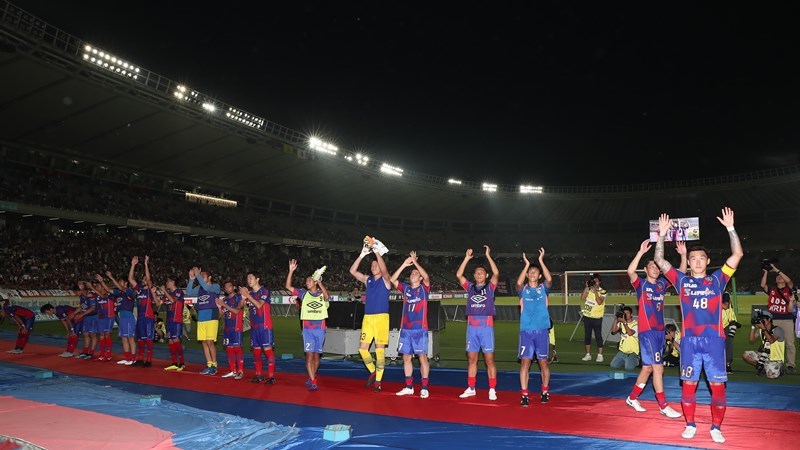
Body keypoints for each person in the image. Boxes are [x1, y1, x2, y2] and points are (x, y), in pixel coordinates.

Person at [654, 208, 743, 444]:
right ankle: (690, 424)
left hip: (714, 341)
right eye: (693, 258)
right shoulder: (681, 280)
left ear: (708, 261)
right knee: (689, 384)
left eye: (701, 258)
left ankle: (716, 427)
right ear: (690, 262)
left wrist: (730, 228)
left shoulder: (718, 279)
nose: (697, 261)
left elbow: (737, 254)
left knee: (717, 385)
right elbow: (659, 261)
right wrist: (661, 235)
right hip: (689, 342)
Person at [624, 239, 684, 418]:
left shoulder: (661, 285)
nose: (656, 269)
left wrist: (683, 255)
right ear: (645, 270)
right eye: (652, 266)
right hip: (647, 332)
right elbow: (630, 271)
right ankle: (663, 406)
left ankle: (632, 398)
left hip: (659, 332)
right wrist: (641, 252)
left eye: (657, 266)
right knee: (658, 368)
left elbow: (680, 274)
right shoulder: (641, 284)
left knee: (648, 369)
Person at [456, 245, 500, 401]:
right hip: (472, 329)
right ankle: (471, 388)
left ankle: (492, 389)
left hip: (486, 328)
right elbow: (459, 274)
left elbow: (496, 273)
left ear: (486, 275)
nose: (479, 274)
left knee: (489, 360)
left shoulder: (490, 287)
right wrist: (466, 258)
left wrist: (488, 256)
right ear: (474, 276)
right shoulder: (470, 288)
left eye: (482, 272)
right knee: (472, 359)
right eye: (477, 272)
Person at [349, 243, 392, 392]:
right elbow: (352, 271)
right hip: (368, 318)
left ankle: (378, 382)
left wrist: (377, 252)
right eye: (372, 265)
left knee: (379, 351)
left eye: (376, 265)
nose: (373, 267)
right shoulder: (368, 280)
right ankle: (374, 371)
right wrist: (362, 254)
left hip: (381, 319)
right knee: (362, 349)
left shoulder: (386, 280)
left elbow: (385, 271)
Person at [390, 251, 432, 399]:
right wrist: (404, 264)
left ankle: (424, 387)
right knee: (406, 358)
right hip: (406, 330)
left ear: (419, 278)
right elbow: (392, 279)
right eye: (412, 273)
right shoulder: (406, 289)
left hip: (420, 330)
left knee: (422, 358)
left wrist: (415, 263)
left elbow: (426, 277)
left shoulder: (424, 289)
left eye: (416, 273)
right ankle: (409, 387)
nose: (413, 274)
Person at [515, 248, 553, 406]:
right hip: (526, 332)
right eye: (530, 271)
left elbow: (549, 279)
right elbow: (518, 283)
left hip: (542, 331)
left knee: (543, 363)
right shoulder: (523, 290)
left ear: (539, 276)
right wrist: (526, 265)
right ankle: (524, 394)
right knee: (525, 363)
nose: (532, 273)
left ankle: (545, 391)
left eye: (535, 272)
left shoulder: (544, 288)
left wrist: (541, 261)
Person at [287, 259, 330, 391]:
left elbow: (327, 297)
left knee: (316, 356)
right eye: (306, 281)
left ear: (315, 282)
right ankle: (313, 381)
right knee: (309, 356)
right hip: (307, 330)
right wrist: (291, 271)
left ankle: (312, 376)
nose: (307, 283)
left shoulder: (321, 294)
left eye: (309, 280)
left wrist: (320, 282)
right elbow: (288, 286)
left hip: (320, 329)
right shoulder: (303, 294)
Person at [185, 266, 222, 375]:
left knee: (210, 342)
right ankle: (209, 364)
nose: (200, 277)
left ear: (209, 277)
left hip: (211, 316)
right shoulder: (199, 288)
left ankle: (214, 365)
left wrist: (197, 275)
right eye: (200, 276)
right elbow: (188, 292)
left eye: (203, 276)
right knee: (204, 342)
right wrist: (191, 279)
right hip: (201, 317)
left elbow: (207, 287)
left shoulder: (215, 286)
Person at [760, 264, 796, 373]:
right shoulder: (772, 289)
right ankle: (773, 361)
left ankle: (790, 365)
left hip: (787, 319)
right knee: (772, 342)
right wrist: (766, 272)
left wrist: (776, 270)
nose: (779, 277)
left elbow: (789, 281)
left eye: (781, 277)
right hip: (774, 319)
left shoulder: (789, 290)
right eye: (777, 277)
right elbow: (763, 285)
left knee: (789, 343)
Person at [240, 273, 275, 384]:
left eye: (251, 278)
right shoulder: (249, 293)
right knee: (256, 352)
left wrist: (248, 296)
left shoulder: (264, 291)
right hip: (254, 327)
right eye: (247, 278)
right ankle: (258, 375)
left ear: (257, 279)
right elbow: (240, 306)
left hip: (264, 325)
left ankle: (271, 376)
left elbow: (259, 305)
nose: (249, 280)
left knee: (268, 350)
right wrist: (243, 297)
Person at [129, 256, 156, 367]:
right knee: (140, 339)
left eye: (145, 279)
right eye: (143, 279)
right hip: (140, 318)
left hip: (148, 318)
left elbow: (149, 279)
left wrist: (145, 264)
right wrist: (133, 265)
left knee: (148, 340)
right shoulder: (139, 289)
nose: (143, 280)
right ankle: (140, 359)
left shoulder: (150, 290)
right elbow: (130, 279)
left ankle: (148, 360)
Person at [106, 271, 137, 365]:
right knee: (124, 338)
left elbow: (122, 288)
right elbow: (108, 290)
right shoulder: (119, 293)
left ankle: (133, 358)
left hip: (128, 318)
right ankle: (127, 358)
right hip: (122, 318)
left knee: (130, 338)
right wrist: (102, 281)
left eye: (120, 282)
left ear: (126, 283)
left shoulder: (129, 292)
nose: (119, 283)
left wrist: (112, 277)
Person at [742, 311, 785, 378]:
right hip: (764, 355)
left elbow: (771, 341)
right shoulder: (761, 330)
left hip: (775, 358)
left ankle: (779, 368)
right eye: (760, 319)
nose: (761, 321)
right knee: (746, 355)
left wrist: (764, 329)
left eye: (763, 319)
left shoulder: (778, 330)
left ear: (769, 319)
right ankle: (762, 367)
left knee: (771, 376)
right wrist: (753, 327)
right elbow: (751, 339)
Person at [216, 281, 246, 379]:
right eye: (225, 287)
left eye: (229, 286)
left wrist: (224, 305)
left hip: (236, 327)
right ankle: (233, 371)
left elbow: (237, 311)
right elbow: (220, 315)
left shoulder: (238, 297)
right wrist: (219, 307)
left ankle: (240, 371)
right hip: (227, 328)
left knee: (237, 348)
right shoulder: (224, 300)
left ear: (233, 287)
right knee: (229, 349)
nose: (227, 288)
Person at [159, 278, 186, 371]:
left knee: (176, 340)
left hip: (176, 320)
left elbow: (173, 300)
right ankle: (174, 363)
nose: (166, 283)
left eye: (168, 281)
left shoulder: (179, 292)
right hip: (169, 321)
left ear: (173, 282)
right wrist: (153, 293)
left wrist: (165, 291)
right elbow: (158, 303)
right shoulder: (167, 293)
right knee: (170, 341)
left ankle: (181, 363)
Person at [580, 273, 606, 362]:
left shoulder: (603, 291)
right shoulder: (589, 290)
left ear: (600, 282)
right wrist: (586, 288)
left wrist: (595, 292)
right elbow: (582, 298)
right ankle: (588, 354)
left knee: (598, 336)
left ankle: (600, 355)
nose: (594, 283)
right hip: (587, 316)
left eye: (596, 281)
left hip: (597, 317)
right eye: (593, 281)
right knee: (587, 336)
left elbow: (599, 302)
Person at [93, 274, 116, 361]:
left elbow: (104, 296)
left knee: (107, 335)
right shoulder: (97, 297)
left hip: (109, 317)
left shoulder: (109, 294)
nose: (96, 288)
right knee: (101, 335)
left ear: (102, 287)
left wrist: (92, 287)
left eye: (98, 286)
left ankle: (108, 354)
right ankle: (102, 354)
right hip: (101, 318)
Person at [73, 281, 98, 359]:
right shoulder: (81, 296)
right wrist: (74, 313)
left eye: (76, 292)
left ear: (80, 290)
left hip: (93, 316)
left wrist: (81, 315)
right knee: (85, 334)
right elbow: (82, 306)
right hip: (87, 316)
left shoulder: (90, 294)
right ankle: (85, 351)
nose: (76, 294)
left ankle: (91, 353)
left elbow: (93, 308)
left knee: (92, 334)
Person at [609, 306, 639, 371]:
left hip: (632, 352)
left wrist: (624, 322)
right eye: (624, 313)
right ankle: (627, 361)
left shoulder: (636, 324)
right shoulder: (621, 323)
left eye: (627, 313)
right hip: (622, 351)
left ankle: (636, 360)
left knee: (628, 368)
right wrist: (616, 319)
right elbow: (613, 331)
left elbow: (630, 333)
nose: (626, 315)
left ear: (631, 314)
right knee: (613, 365)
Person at [721, 293, 741, 374]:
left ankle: (727, 364)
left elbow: (725, 306)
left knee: (728, 344)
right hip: (715, 324)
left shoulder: (724, 294)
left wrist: (712, 300)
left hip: (725, 324)